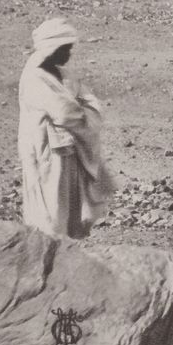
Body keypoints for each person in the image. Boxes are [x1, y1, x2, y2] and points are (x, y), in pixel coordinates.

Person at [17, 18, 115, 239]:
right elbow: (66, 112)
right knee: (51, 217)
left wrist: (82, 110)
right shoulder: (35, 77)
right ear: (52, 49)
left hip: (70, 153)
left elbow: (89, 103)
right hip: (48, 157)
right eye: (65, 49)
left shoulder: (63, 75)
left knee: (71, 213)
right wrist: (82, 110)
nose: (69, 54)